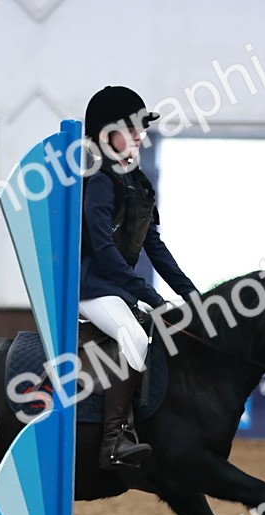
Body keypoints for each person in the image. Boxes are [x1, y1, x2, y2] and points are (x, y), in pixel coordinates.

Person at [81, 85, 199, 470]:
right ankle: (112, 442)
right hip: (88, 287)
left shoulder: (136, 181)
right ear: (106, 133)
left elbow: (156, 248)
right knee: (132, 333)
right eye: (131, 127)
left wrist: (191, 293)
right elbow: (104, 252)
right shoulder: (98, 179)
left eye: (140, 128)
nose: (139, 135)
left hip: (113, 287)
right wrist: (148, 292)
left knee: (153, 327)